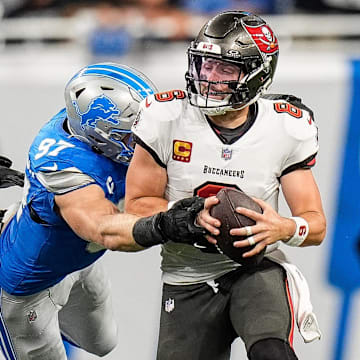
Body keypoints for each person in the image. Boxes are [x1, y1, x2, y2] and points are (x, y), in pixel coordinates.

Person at [125, 11, 326, 360]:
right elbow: (138, 204)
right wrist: (182, 217)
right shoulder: (165, 117)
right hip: (186, 274)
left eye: (225, 69)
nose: (209, 77)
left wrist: (282, 227)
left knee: (271, 353)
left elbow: (316, 224)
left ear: (256, 75)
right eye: (205, 65)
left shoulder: (285, 127)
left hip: (255, 268)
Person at [0, 62, 209, 360]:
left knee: (102, 343)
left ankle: (19, 219)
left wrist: (261, 115)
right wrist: (164, 225)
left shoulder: (92, 125)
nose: (147, 138)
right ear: (102, 134)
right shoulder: (65, 165)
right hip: (31, 283)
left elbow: (182, 117)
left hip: (82, 260)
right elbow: (103, 227)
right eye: (134, 133)